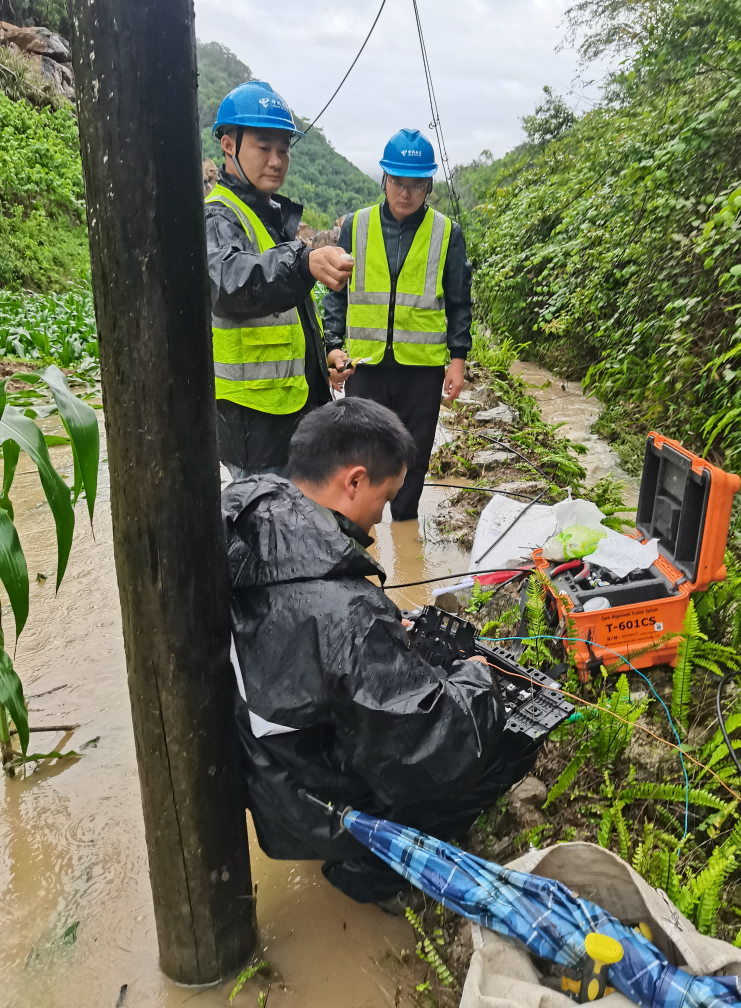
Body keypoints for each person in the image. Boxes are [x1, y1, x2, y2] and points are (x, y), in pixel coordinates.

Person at [223, 398, 538, 907]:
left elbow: (309, 633)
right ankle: (369, 873)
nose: (383, 515)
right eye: (386, 498)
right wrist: (477, 680)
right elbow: (431, 744)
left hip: (254, 760)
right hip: (304, 800)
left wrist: (388, 627)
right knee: (500, 747)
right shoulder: (347, 613)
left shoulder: (249, 504)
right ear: (354, 481)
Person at [207, 80, 356, 478]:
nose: (276, 160)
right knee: (265, 531)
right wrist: (304, 262)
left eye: (283, 149)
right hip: (253, 426)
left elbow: (290, 316)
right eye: (263, 147)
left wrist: (323, 357)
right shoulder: (219, 215)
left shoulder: (270, 216)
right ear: (229, 145)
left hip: (291, 412)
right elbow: (232, 283)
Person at [322, 128, 472, 520]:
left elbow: (458, 302)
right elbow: (337, 293)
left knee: (414, 454)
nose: (405, 192)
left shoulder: (446, 233)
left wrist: (458, 359)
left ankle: (405, 526)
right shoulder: (357, 225)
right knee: (360, 454)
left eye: (416, 184)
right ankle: (359, 532)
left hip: (420, 370)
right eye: (397, 182)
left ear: (429, 185)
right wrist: (333, 344)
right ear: (384, 179)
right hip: (366, 365)